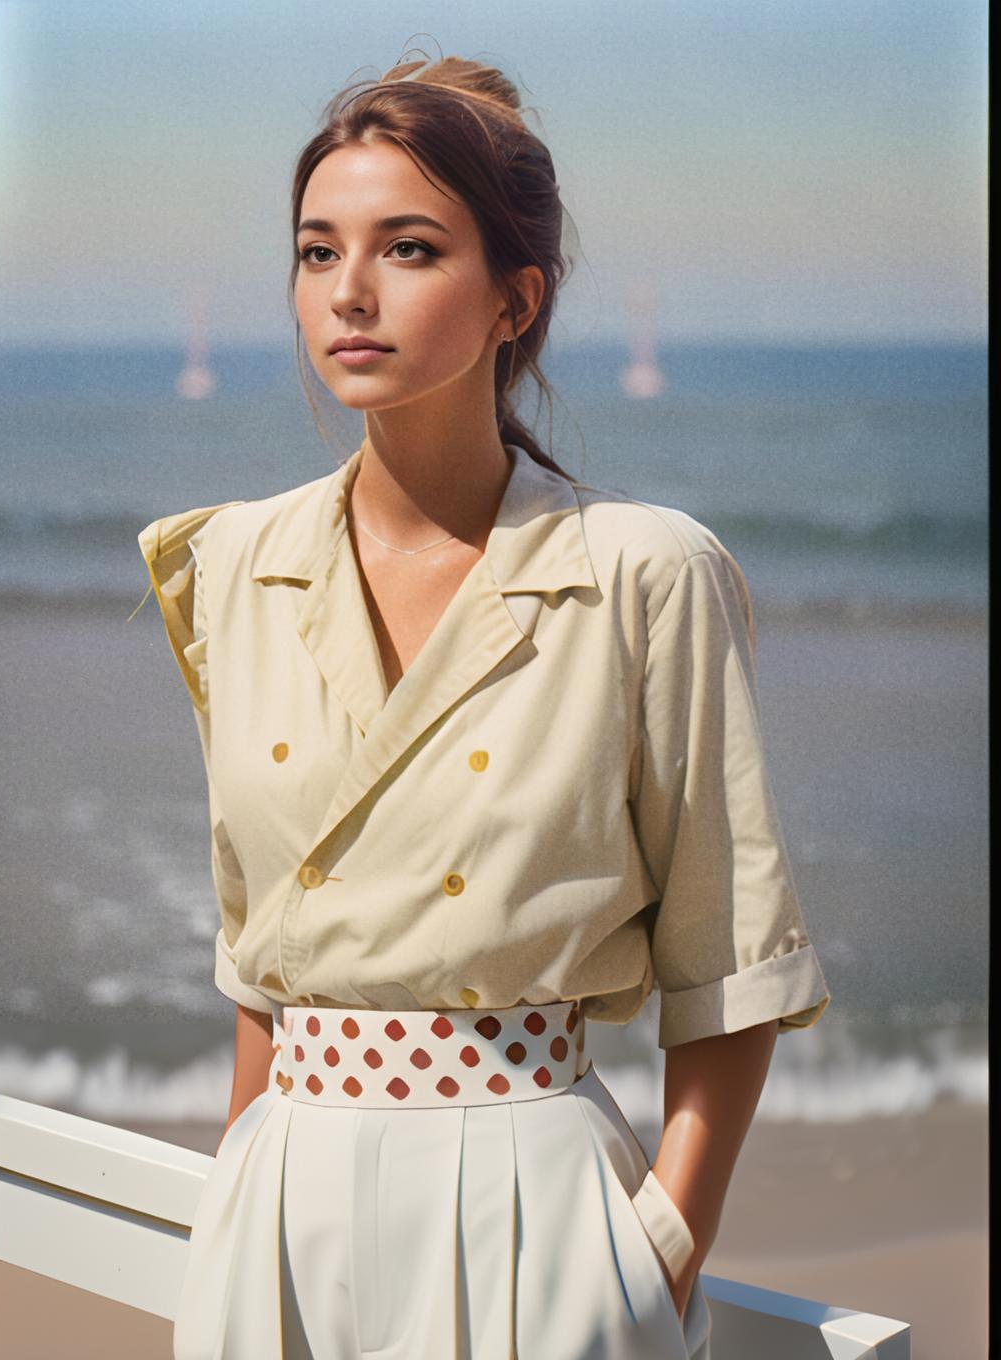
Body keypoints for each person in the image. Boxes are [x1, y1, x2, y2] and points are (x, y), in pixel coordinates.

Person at [136, 51, 831, 1360]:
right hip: (278, 1212)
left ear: (517, 298)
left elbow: (731, 964)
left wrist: (657, 1252)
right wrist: (238, 1185)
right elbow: (259, 952)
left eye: (407, 248)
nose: (348, 290)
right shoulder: (235, 563)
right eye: (316, 251)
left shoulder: (643, 573)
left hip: (538, 1209)